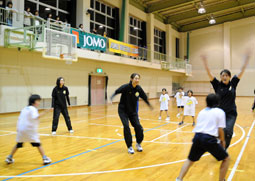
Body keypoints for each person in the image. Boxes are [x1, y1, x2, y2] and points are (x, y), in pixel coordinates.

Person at [201, 51, 250, 149]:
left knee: (228, 132)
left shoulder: (233, 83)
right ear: (220, 77)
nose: (224, 77)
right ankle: (220, 145)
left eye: (226, 75)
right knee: (219, 132)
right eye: (223, 75)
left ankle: (224, 149)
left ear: (229, 77)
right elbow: (209, 73)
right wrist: (205, 62)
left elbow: (242, 71)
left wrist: (246, 60)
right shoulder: (217, 85)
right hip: (219, 113)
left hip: (231, 113)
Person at [176, 94, 230, 181]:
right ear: (218, 102)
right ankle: (222, 180)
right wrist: (223, 141)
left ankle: (179, 179)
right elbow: (220, 129)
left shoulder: (202, 112)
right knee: (226, 159)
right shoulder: (220, 112)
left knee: (190, 160)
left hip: (197, 137)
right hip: (209, 139)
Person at [111, 73, 153, 154]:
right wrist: (111, 98)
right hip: (123, 111)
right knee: (126, 126)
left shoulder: (139, 89)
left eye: (138, 79)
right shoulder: (126, 87)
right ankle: (129, 146)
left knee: (138, 127)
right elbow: (117, 91)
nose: (137, 80)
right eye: (135, 78)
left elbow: (144, 97)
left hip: (133, 112)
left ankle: (138, 143)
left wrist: (149, 105)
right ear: (131, 79)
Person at [5, 95, 52, 165]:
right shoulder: (33, 109)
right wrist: (46, 112)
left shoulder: (24, 109)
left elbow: (20, 119)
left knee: (18, 144)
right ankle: (45, 158)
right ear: (33, 101)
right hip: (29, 130)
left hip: (21, 129)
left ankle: (9, 157)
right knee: (38, 144)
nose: (39, 103)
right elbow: (36, 117)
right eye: (38, 101)